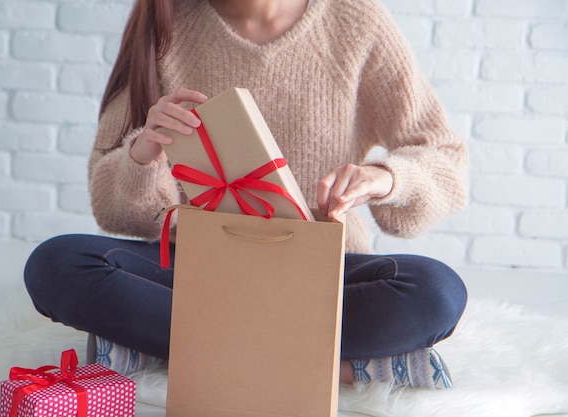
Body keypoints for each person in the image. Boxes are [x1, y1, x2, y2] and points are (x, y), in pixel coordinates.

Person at [24, 0, 468, 390]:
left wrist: (384, 178)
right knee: (57, 264)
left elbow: (444, 156)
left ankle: (163, 351)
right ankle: (349, 368)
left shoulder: (357, 20)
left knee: (437, 292)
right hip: (200, 265)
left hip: (318, 271)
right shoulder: (165, 23)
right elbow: (111, 209)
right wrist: (143, 154)